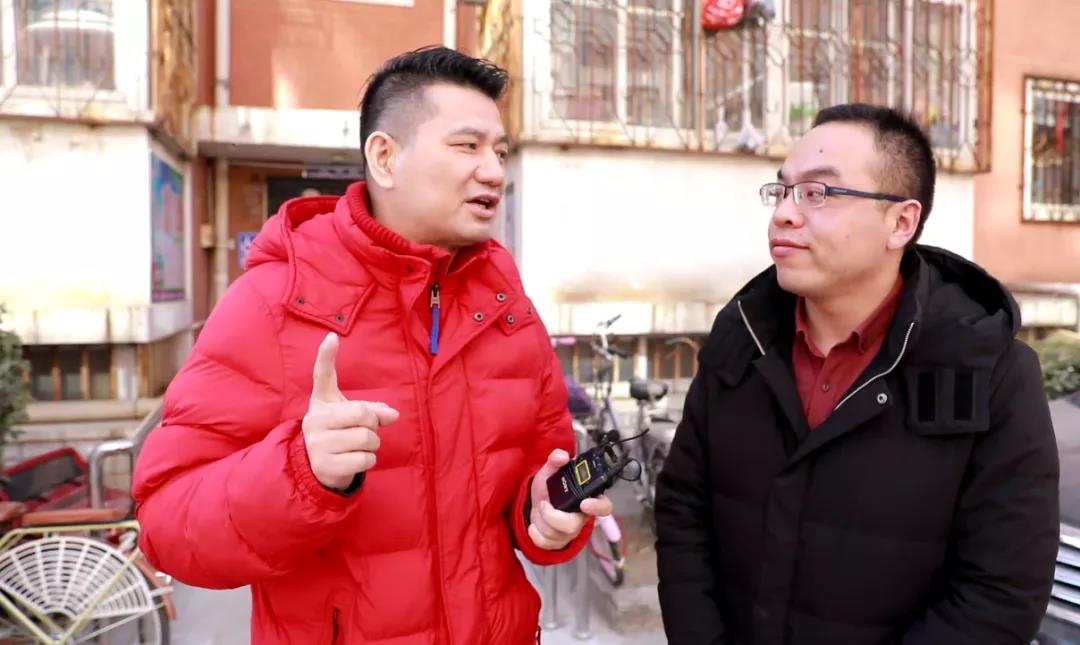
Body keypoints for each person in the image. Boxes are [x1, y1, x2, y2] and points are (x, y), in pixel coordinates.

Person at [132, 46, 610, 644]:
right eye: (467, 146)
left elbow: (536, 478)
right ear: (385, 157)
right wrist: (298, 471)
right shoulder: (274, 301)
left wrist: (545, 517)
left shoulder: (507, 308)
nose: (493, 171)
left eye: (500, 152)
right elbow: (167, 524)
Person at [655, 103, 1060, 645]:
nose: (784, 214)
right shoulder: (742, 340)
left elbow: (999, 593)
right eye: (782, 191)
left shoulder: (988, 372)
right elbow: (683, 512)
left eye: (818, 193)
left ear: (901, 222)